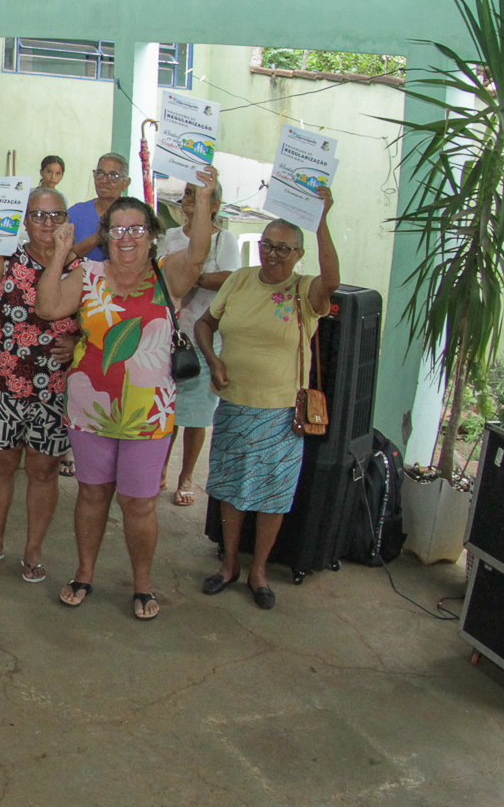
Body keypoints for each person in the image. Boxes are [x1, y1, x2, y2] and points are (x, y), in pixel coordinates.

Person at [35, 169, 216, 619]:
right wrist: (59, 255)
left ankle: (142, 584)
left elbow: (198, 250)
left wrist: (206, 196)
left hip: (147, 415)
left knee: (139, 503)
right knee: (92, 495)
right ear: (106, 236)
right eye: (118, 230)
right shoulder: (89, 274)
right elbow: (48, 306)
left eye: (137, 229)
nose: (127, 238)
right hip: (89, 407)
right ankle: (84, 573)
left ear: (153, 237)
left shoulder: (167, 275)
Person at [196, 197, 338, 611]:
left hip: (280, 413)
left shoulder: (303, 291)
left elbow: (333, 277)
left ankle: (258, 570)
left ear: (298, 255)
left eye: (283, 248)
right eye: (267, 245)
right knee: (230, 489)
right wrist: (213, 358)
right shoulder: (239, 280)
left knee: (271, 494)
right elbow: (206, 323)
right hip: (235, 405)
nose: (273, 254)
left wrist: (323, 218)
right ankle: (228, 565)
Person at [0, 186, 79, 583]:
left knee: (43, 471)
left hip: (54, 388)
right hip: (5, 381)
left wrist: (78, 341)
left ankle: (34, 551)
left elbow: (102, 322)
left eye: (56, 215)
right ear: (24, 221)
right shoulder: (7, 257)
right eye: (38, 216)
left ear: (67, 221)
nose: (47, 223)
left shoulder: (81, 267)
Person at [160, 178, 243, 507]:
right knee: (165, 412)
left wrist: (188, 273)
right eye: (187, 195)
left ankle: (186, 476)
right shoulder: (170, 237)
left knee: (195, 417)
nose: (189, 200)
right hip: (169, 336)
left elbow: (230, 278)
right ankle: (161, 468)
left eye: (199, 195)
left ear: (216, 205)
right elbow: (161, 276)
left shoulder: (224, 240)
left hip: (205, 338)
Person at [68, 153, 131, 262]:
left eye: (113, 176)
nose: (105, 180)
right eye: (100, 174)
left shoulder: (134, 215)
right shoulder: (76, 213)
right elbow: (61, 257)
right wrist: (97, 238)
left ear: (126, 183)